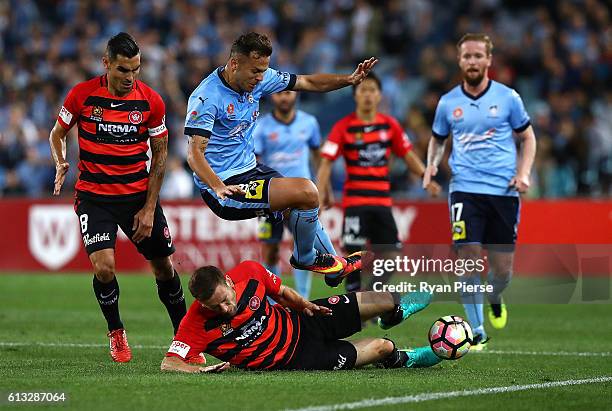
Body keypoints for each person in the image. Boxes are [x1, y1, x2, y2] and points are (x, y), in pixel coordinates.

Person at [184, 32, 377, 285]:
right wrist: (218, 186)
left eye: (264, 70)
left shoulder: (259, 80)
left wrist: (349, 80)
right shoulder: (206, 97)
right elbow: (194, 154)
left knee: (299, 205)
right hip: (226, 187)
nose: (261, 78)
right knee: (307, 192)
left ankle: (333, 264)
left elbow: (308, 83)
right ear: (234, 64)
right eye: (255, 71)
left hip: (252, 170)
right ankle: (306, 258)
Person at [49, 33, 189, 363]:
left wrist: (150, 208)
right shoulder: (82, 95)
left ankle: (185, 337)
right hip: (94, 197)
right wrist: (60, 160)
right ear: (107, 63)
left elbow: (160, 155)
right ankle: (116, 330)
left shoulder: (152, 102)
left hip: (137, 197)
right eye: (123, 70)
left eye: (135, 70)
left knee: (164, 268)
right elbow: (57, 133)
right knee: (104, 267)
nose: (130, 78)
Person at [423, 33, 537, 350]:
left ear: (488, 60)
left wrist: (523, 173)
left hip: (503, 191)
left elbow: (528, 138)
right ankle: (476, 329)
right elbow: (438, 139)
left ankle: (495, 295)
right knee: (468, 258)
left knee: (502, 269)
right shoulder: (448, 103)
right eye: (466, 56)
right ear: (459, 61)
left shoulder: (509, 98)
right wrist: (431, 165)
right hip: (464, 190)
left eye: (477, 56)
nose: (472, 61)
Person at [160, 260, 441, 373]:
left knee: (385, 300)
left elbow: (281, 292)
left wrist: (305, 304)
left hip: (304, 319)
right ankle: (401, 359)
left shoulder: (249, 272)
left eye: (224, 300)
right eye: (214, 306)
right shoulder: (195, 322)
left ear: (230, 283)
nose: (224, 309)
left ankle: (394, 314)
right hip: (301, 359)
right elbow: (169, 362)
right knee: (383, 347)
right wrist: (198, 370)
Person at [317, 72, 441, 291]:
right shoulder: (343, 127)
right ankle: (355, 308)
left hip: (382, 202)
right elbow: (326, 162)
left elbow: (407, 154)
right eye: (363, 90)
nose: (368, 95)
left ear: (379, 95)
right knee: (354, 261)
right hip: (355, 203)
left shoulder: (389, 125)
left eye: (372, 90)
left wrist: (426, 177)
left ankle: (371, 294)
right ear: (355, 95)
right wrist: (321, 194)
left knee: (391, 256)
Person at [253, 90, 321, 298]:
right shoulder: (261, 126)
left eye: (288, 93)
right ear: (272, 97)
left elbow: (318, 157)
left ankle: (302, 297)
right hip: (271, 198)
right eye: (279, 94)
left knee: (301, 247)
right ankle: (274, 302)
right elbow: (254, 163)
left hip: (301, 198)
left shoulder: (309, 123)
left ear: (296, 95)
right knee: (270, 248)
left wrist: (321, 188)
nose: (284, 97)